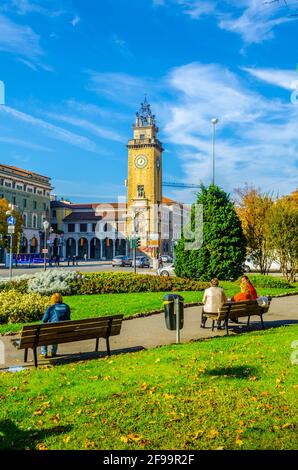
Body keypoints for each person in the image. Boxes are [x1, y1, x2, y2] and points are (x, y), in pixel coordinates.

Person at [40, 293, 71, 358]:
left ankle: (44, 352)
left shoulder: (51, 308)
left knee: (45, 333)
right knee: (56, 331)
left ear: (52, 299)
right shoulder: (67, 306)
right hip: (65, 331)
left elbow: (43, 321)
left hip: (54, 331)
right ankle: (53, 352)